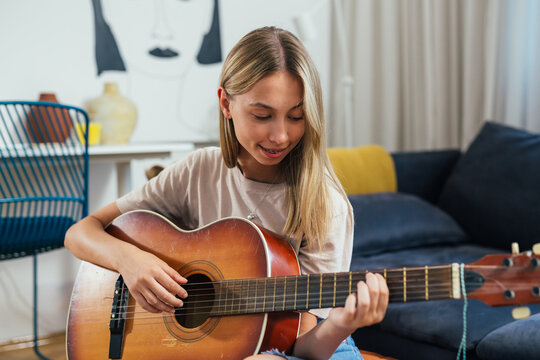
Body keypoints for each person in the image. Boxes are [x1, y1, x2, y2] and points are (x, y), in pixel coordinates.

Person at [65, 26, 389, 360]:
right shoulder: (198, 170)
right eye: (262, 115)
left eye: (296, 116)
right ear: (226, 104)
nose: (280, 135)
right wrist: (130, 261)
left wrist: (341, 323)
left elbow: (306, 347)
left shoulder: (324, 203)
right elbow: (80, 233)